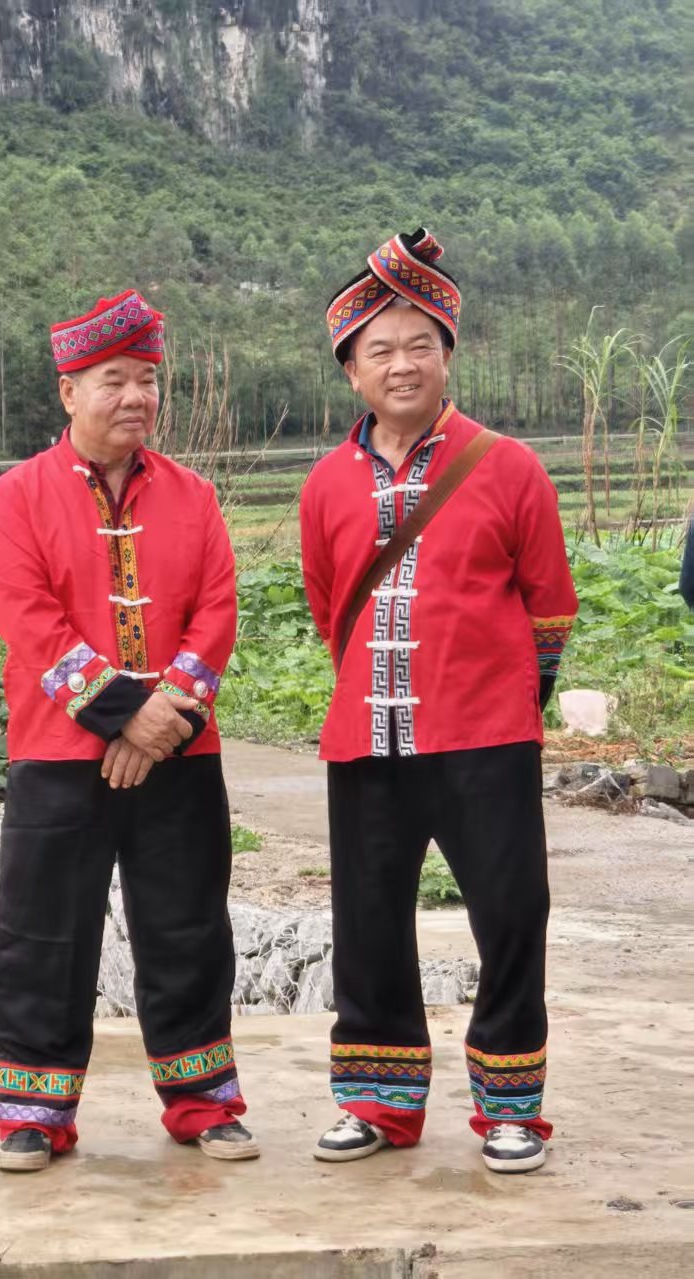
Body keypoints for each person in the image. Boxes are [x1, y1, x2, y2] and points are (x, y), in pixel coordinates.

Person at [302, 229, 579, 1174]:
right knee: (369, 922)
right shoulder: (325, 484)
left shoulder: (509, 467)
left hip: (486, 739)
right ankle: (377, 1102)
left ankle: (510, 1108)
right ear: (352, 372)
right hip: (366, 739)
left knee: (511, 916)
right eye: (379, 349)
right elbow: (327, 604)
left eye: (420, 343)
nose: (402, 363)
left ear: (448, 355)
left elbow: (550, 605)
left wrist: (503, 696)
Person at [0, 290, 252, 1173]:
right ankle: (35, 1114)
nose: (135, 396)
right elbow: (27, 616)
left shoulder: (196, 497)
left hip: (181, 755)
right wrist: (123, 712)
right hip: (57, 754)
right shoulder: (18, 497)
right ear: (69, 391)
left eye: (147, 379)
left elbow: (217, 611)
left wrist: (157, 725)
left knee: (188, 927)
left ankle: (204, 1102)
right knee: (43, 933)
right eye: (113, 380)